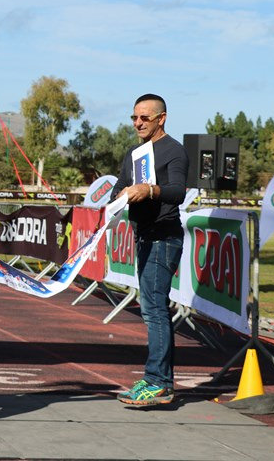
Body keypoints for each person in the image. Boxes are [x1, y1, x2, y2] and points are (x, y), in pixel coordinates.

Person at [110, 93, 188, 406]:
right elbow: (120, 185)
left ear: (161, 118)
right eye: (134, 118)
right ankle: (160, 382)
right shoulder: (134, 152)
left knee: (154, 310)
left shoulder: (175, 151)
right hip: (142, 236)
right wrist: (119, 194)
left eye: (145, 117)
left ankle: (158, 382)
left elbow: (178, 192)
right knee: (151, 308)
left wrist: (150, 189)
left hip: (164, 238)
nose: (138, 123)